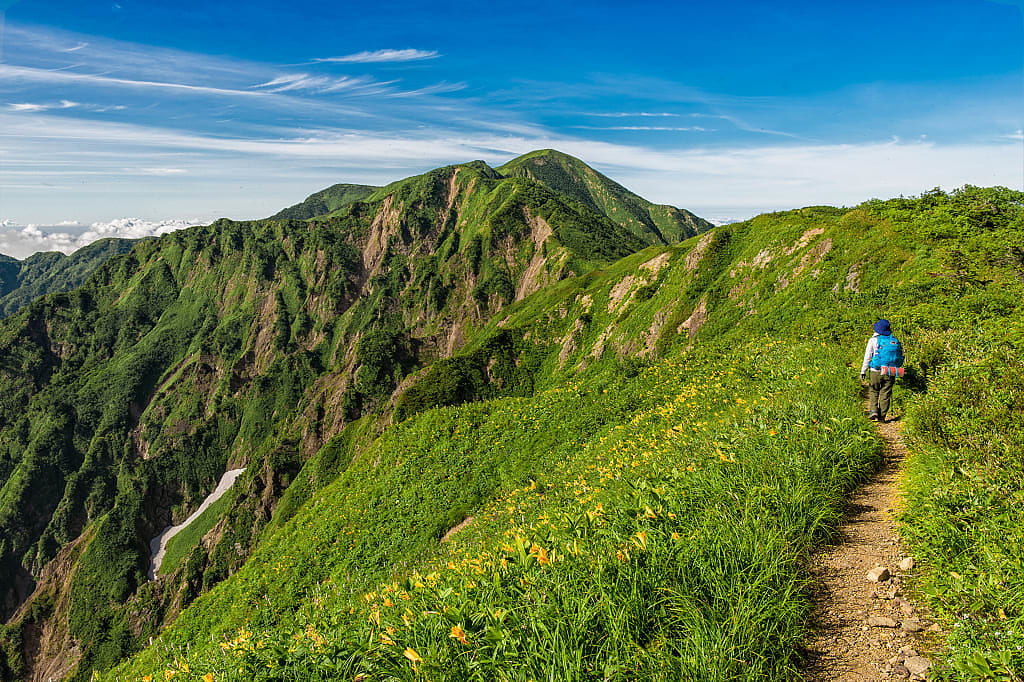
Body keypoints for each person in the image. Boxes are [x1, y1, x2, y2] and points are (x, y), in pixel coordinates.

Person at [860, 319, 904, 422]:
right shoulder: (894, 340)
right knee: (886, 392)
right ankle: (882, 417)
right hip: (890, 370)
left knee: (874, 390)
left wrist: (863, 371)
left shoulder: (873, 340)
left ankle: (874, 410)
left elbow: (867, 356)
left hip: (876, 370)